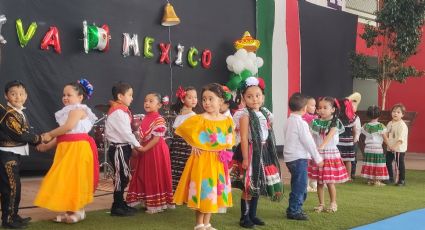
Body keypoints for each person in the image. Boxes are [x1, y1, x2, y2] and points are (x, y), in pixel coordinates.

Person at [34, 79, 99, 224]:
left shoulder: (78, 110)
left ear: (80, 97)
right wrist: (47, 146)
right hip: (67, 148)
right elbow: (63, 135)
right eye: (64, 94)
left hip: (77, 149)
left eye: (69, 94)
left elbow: (68, 127)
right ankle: (70, 210)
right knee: (66, 179)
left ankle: (78, 211)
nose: (65, 97)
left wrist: (49, 134)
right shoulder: (68, 112)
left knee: (76, 179)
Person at [173, 83, 234, 230]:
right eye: (204, 99)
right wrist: (193, 144)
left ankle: (207, 223)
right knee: (203, 191)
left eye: (210, 99)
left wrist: (226, 155)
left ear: (220, 101)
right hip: (202, 161)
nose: (206, 102)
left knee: (213, 191)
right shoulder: (199, 119)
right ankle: (199, 224)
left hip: (218, 161)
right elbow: (182, 130)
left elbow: (229, 140)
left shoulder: (227, 121)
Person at [232, 77, 283, 228]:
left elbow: (267, 131)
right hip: (250, 151)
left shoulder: (265, 113)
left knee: (258, 184)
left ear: (263, 97)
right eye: (249, 96)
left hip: (263, 152)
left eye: (257, 95)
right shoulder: (245, 115)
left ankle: (253, 215)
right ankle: (244, 217)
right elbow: (244, 138)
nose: (254, 99)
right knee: (249, 185)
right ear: (243, 98)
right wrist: (246, 159)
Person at [0, 80, 43, 229]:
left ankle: (14, 215)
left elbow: (25, 133)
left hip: (14, 155)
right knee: (10, 188)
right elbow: (19, 135)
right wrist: (40, 139)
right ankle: (8, 220)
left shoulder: (20, 112)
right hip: (7, 155)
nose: (18, 97)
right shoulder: (7, 113)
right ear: (6, 96)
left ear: (26, 96)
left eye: (21, 94)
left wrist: (36, 141)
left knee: (15, 187)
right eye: (13, 94)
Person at [126, 92, 174, 213]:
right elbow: (143, 137)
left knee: (154, 174)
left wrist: (143, 149)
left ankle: (156, 203)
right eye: (145, 101)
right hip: (146, 150)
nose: (147, 103)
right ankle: (147, 200)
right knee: (145, 174)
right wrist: (139, 147)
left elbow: (156, 139)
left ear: (159, 105)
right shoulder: (146, 118)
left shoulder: (159, 119)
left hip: (156, 151)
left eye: (151, 101)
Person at [104, 81, 143, 216]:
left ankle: (121, 203)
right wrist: (138, 146)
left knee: (124, 176)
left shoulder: (122, 111)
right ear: (120, 97)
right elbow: (126, 133)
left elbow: (126, 133)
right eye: (130, 95)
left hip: (123, 148)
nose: (132, 98)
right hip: (118, 148)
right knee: (121, 177)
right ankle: (117, 206)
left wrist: (131, 146)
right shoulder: (118, 112)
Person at [283, 93, 323, 221]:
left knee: (297, 185)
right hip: (298, 158)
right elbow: (309, 142)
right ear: (305, 108)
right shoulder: (302, 123)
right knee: (300, 187)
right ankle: (295, 211)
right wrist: (318, 158)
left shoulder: (289, 121)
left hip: (290, 158)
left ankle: (293, 208)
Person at [308, 96, 348, 213]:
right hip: (319, 154)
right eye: (319, 107)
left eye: (325, 107)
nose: (321, 110)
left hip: (330, 154)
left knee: (330, 182)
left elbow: (330, 134)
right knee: (319, 182)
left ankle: (333, 203)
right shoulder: (315, 122)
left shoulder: (335, 122)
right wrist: (312, 149)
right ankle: (321, 204)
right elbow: (310, 136)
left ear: (333, 109)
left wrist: (322, 146)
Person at [170, 86, 198, 191]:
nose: (194, 100)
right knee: (175, 169)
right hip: (176, 148)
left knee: (185, 169)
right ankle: (175, 192)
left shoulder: (193, 116)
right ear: (182, 99)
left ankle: (185, 193)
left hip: (187, 148)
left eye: (195, 97)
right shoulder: (179, 116)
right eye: (190, 97)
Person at [360, 105, 389, 186]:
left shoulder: (365, 126)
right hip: (377, 148)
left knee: (370, 163)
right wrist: (390, 145)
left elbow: (361, 131)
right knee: (377, 163)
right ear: (379, 115)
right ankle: (377, 181)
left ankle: (370, 180)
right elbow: (385, 138)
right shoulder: (380, 126)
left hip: (368, 148)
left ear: (368, 115)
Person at [385, 103, 408, 186]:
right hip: (390, 148)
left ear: (402, 114)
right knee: (387, 162)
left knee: (399, 164)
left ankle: (402, 180)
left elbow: (401, 139)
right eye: (394, 111)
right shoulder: (389, 123)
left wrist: (394, 147)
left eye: (398, 112)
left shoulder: (402, 125)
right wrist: (388, 145)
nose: (395, 113)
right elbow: (386, 135)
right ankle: (390, 177)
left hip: (398, 149)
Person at [336, 98, 357, 181]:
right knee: (348, 160)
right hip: (349, 141)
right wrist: (353, 139)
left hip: (339, 141)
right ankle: (348, 176)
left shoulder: (337, 118)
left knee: (339, 159)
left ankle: (339, 176)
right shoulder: (353, 117)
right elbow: (354, 130)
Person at [302, 96, 319, 192]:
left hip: (311, 145)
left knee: (312, 163)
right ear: (305, 106)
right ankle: (308, 183)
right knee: (309, 164)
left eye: (315, 105)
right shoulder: (310, 117)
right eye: (312, 105)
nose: (315, 108)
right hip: (309, 145)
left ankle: (312, 182)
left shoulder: (304, 117)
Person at [347, 92, 362, 179]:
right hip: (345, 140)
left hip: (353, 141)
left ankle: (352, 173)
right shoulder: (343, 118)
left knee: (353, 158)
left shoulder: (356, 118)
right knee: (345, 157)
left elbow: (358, 129)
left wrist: (355, 139)